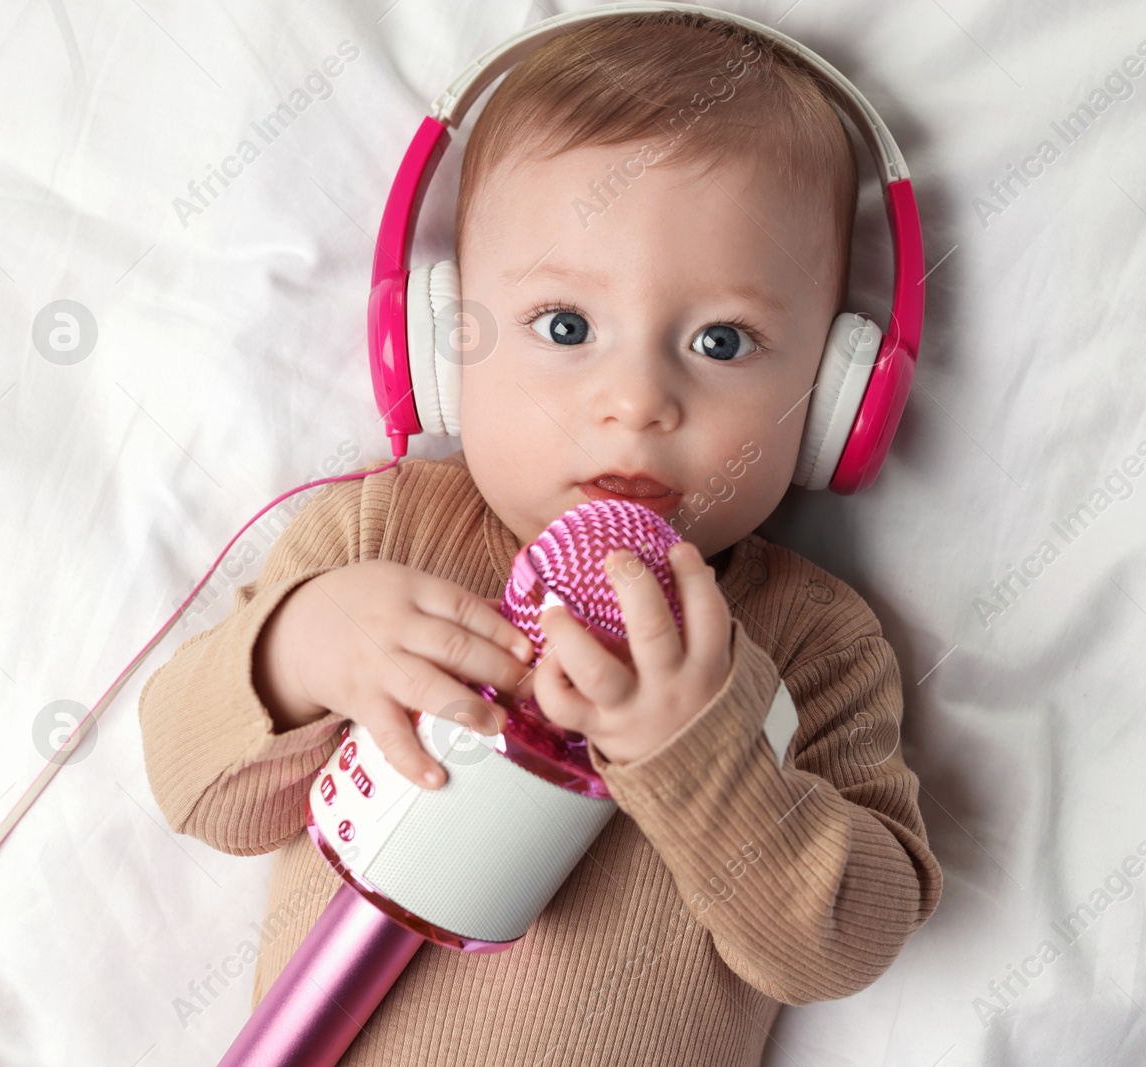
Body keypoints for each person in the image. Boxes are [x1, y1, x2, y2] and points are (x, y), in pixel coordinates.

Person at [139, 11, 941, 1065]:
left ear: (837, 402)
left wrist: (701, 753)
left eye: (722, 340)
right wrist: (298, 652)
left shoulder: (809, 640)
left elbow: (841, 944)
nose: (635, 400)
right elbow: (201, 791)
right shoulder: (379, 536)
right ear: (436, 346)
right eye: (565, 327)